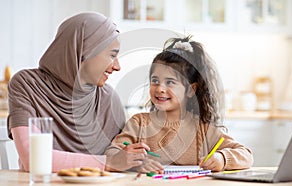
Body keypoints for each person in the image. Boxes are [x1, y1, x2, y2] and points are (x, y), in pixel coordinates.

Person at [7, 12, 148, 172]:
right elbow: (33, 159)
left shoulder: (108, 98)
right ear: (84, 51)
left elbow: (122, 157)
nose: (117, 66)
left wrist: (136, 159)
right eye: (112, 55)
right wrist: (108, 162)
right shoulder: (27, 84)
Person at [105, 36, 254, 173]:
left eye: (170, 82)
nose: (160, 88)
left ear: (190, 90)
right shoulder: (139, 123)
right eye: (155, 81)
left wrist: (222, 158)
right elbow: (111, 154)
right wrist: (134, 162)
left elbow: (246, 155)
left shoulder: (203, 128)